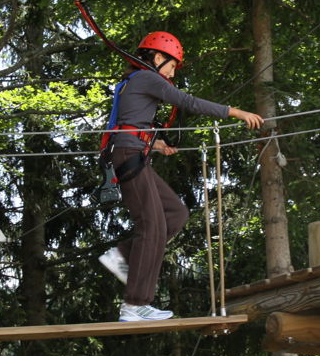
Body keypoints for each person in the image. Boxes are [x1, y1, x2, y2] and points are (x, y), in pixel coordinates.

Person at [98, 31, 264, 322]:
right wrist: (235, 112)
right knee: (151, 226)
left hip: (134, 154)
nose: (173, 71)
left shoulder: (134, 82)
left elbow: (129, 123)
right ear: (158, 57)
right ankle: (135, 305)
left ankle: (124, 255)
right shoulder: (147, 78)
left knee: (175, 214)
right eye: (172, 65)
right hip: (128, 156)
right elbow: (188, 101)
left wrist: (155, 143)